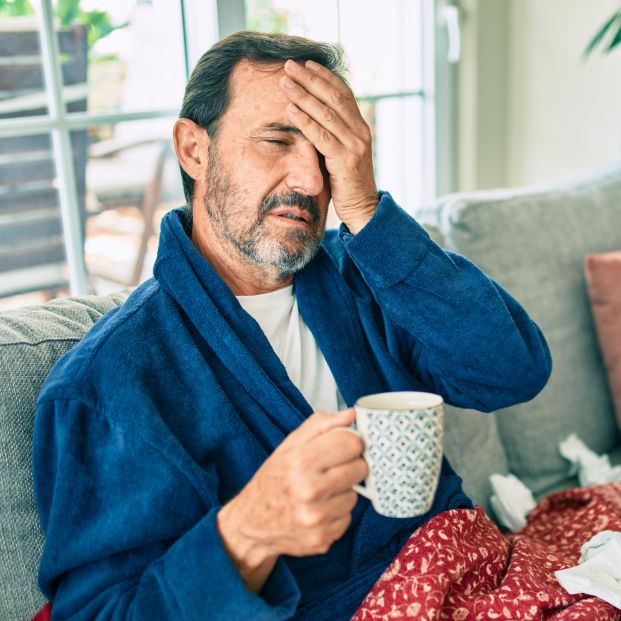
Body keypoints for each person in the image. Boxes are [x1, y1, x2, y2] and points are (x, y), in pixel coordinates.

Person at [33, 31, 552, 621]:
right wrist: (248, 533)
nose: (310, 180)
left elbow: (512, 370)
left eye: (329, 150)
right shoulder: (113, 383)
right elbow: (103, 611)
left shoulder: (367, 278)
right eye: (278, 140)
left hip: (481, 574)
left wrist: (366, 213)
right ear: (193, 149)